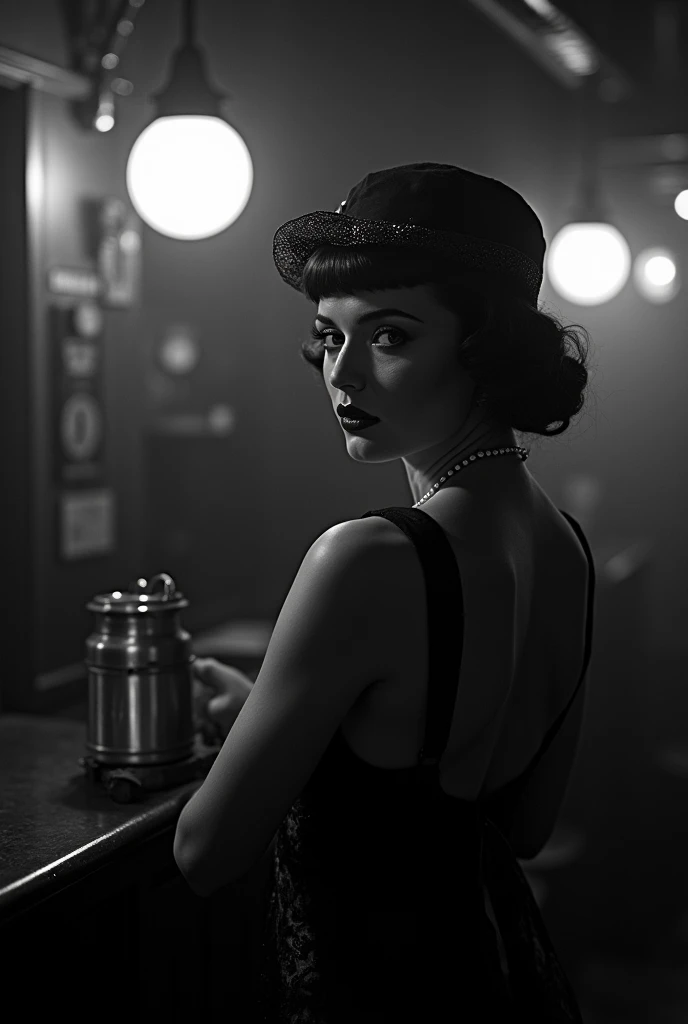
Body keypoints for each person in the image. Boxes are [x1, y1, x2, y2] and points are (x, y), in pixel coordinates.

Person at [174, 162, 596, 1023]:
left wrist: (259, 757)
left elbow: (205, 851)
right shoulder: (566, 545)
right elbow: (520, 827)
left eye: (392, 335)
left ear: (487, 347)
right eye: (331, 336)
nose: (345, 374)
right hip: (503, 981)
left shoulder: (364, 559)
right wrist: (272, 714)